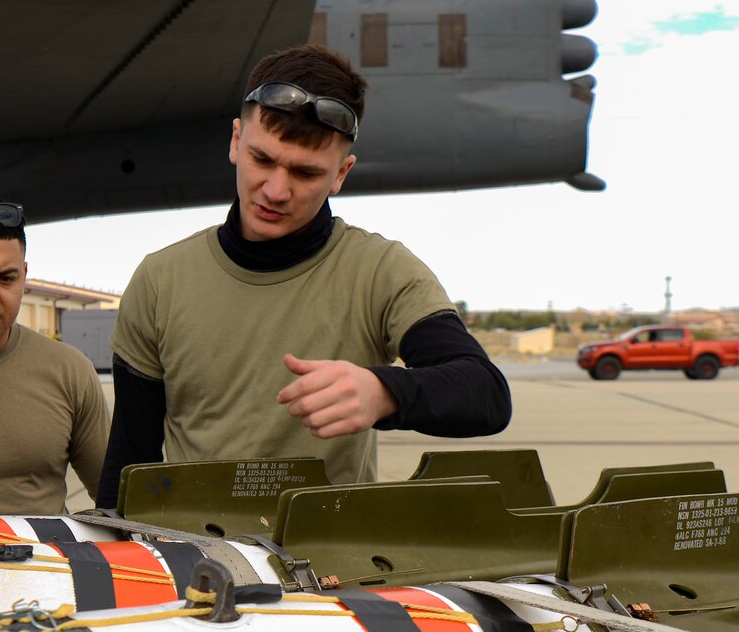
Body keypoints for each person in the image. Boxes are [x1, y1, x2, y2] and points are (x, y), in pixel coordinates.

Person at [99, 44, 509, 505]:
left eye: (306, 173)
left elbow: (486, 394)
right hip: (198, 559)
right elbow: (129, 463)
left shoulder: (380, 271)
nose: (276, 190)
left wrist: (384, 392)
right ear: (236, 141)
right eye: (263, 159)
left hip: (328, 564)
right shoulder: (160, 280)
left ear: (341, 174)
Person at [0, 194, 107, 514]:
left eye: (6, 278)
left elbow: (118, 500)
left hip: (44, 561)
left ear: (24, 275)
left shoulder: (68, 370)